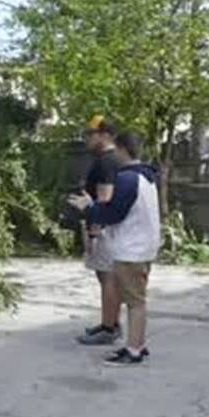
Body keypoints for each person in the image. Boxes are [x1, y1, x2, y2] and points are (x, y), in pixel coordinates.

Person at [69, 132, 161, 366]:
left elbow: (113, 214)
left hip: (132, 249)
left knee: (135, 302)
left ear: (122, 149)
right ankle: (136, 344)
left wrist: (88, 208)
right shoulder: (147, 176)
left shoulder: (128, 179)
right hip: (141, 246)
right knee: (135, 300)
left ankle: (134, 351)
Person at [75, 116, 121, 345]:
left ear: (105, 135)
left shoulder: (106, 162)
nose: (87, 139)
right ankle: (110, 323)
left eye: (91, 134)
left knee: (108, 278)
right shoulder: (109, 160)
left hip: (105, 231)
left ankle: (109, 328)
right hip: (107, 228)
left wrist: (93, 233)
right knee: (106, 278)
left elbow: (104, 200)